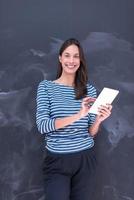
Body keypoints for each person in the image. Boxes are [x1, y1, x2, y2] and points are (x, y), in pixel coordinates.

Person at [36, 38, 112, 200]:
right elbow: (43, 126)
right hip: (57, 160)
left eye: (76, 56)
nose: (71, 61)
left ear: (80, 60)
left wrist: (98, 119)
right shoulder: (46, 87)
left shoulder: (89, 90)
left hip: (85, 159)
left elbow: (91, 133)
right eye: (67, 55)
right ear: (60, 58)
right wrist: (78, 115)